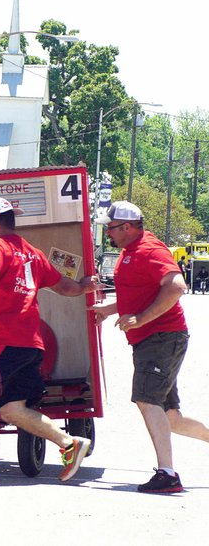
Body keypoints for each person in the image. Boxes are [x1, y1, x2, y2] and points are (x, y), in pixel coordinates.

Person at [0, 197, 97, 483]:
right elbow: (64, 286)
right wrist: (83, 287)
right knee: (12, 409)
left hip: (5, 341)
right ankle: (69, 443)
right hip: (32, 345)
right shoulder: (32, 253)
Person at [91, 201, 209, 493]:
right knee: (171, 417)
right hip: (155, 339)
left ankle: (167, 474)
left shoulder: (149, 249)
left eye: (112, 227)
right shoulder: (130, 251)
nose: (108, 232)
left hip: (160, 337)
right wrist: (111, 310)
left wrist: (141, 319)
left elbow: (177, 286)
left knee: (146, 399)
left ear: (127, 227)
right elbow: (141, 294)